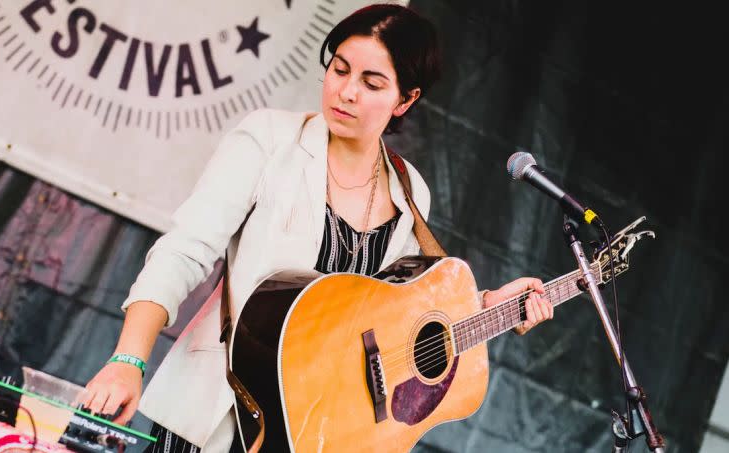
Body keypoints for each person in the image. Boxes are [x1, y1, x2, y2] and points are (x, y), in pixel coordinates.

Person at [80, 4, 554, 452]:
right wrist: (128, 360)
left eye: (371, 82)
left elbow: (396, 319)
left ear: (406, 100)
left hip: (322, 430)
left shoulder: (411, 191)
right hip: (223, 412)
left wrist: (487, 307)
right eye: (340, 69)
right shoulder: (268, 139)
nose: (346, 91)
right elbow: (184, 250)